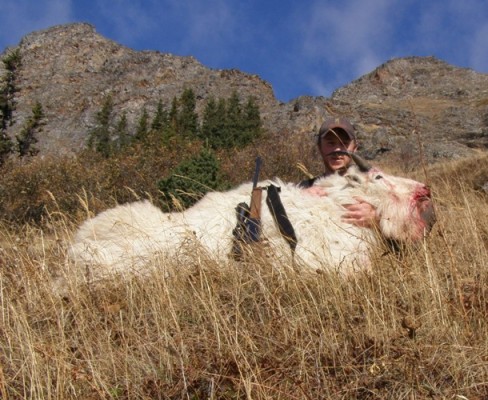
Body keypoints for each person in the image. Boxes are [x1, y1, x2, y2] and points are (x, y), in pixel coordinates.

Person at [299, 117, 377, 228]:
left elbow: (399, 215)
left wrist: (375, 217)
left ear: (355, 148)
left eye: (344, 143)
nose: (337, 150)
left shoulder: (372, 185)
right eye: (330, 143)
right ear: (320, 147)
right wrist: (298, 197)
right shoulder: (304, 188)